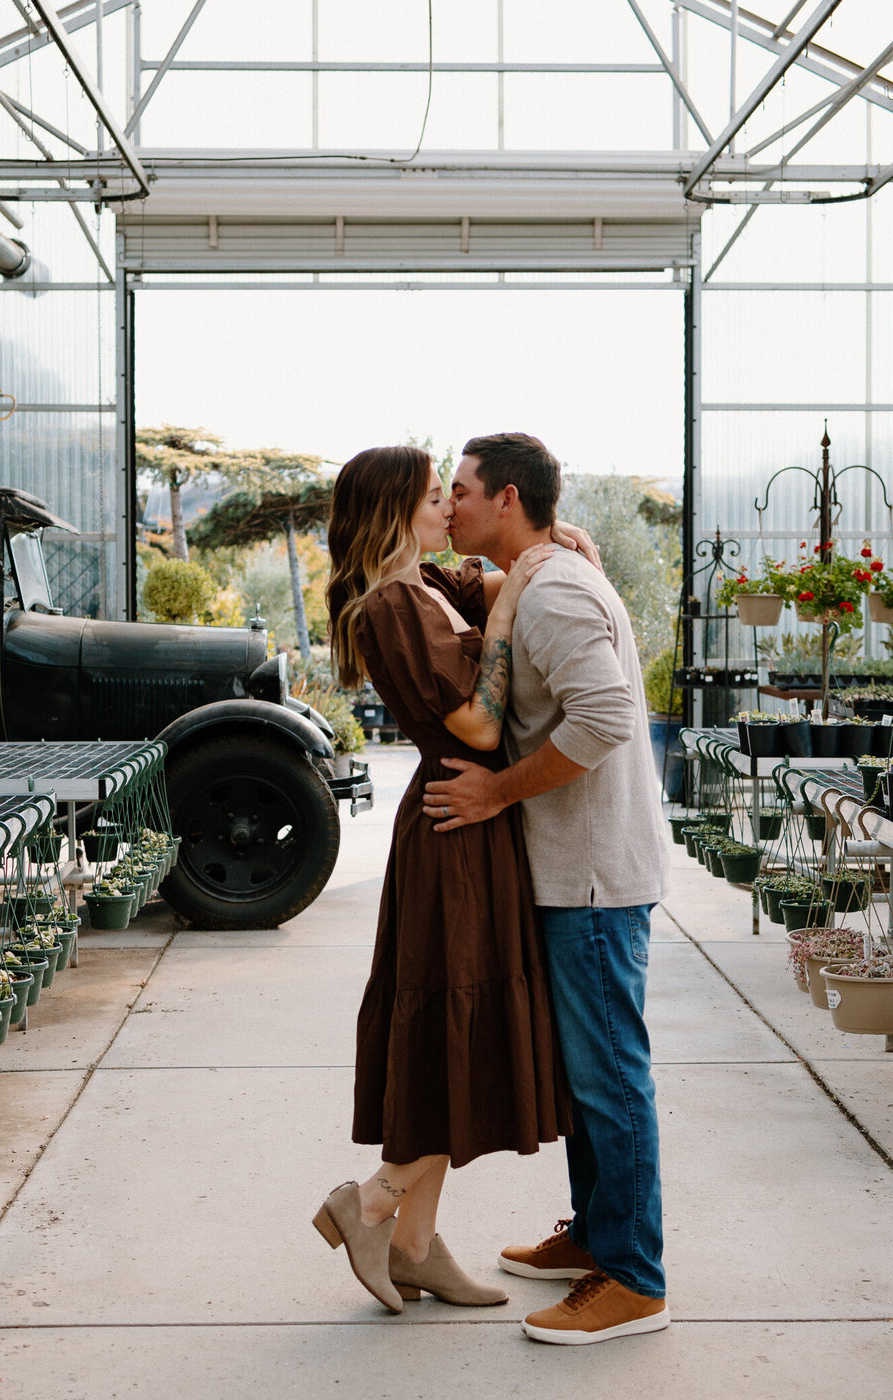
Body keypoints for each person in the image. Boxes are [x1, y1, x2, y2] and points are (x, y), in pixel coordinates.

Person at [313, 445, 592, 1315]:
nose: (449, 508)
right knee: (452, 1023)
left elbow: (513, 585)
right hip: (455, 823)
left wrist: (554, 549)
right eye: (436, 497)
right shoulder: (394, 602)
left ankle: (412, 1247)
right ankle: (371, 1205)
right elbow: (474, 724)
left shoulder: (431, 584)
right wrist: (508, 622)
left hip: (470, 824)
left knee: (453, 1028)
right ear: (397, 512)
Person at [424, 432, 670, 1346]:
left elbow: (607, 714)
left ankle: (635, 1280)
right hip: (579, 871)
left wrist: (495, 790)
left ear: (510, 498)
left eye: (461, 491)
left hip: (595, 878)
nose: (449, 507)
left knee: (610, 1078)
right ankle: (597, 1238)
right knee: (586, 1075)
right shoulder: (539, 575)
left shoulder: (556, 585)